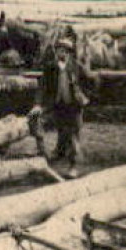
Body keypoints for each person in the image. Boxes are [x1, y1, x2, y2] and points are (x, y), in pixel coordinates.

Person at [33, 32, 91, 179]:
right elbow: (43, 87)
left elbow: (90, 80)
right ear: (56, 51)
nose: (62, 53)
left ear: (69, 52)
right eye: (59, 50)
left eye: (65, 50)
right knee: (58, 129)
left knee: (74, 135)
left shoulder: (76, 67)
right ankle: (49, 156)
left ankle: (74, 166)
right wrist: (38, 104)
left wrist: (85, 96)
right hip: (57, 105)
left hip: (74, 106)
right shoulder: (50, 67)